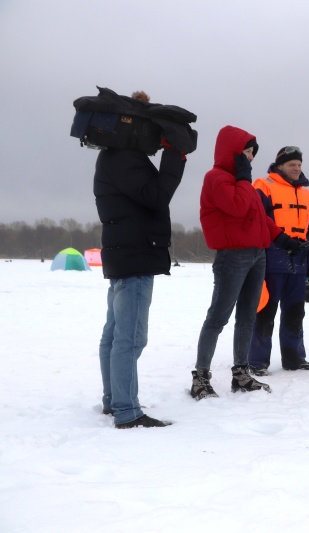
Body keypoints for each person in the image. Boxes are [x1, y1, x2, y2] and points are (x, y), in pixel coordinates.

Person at [95, 90, 186, 428]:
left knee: (115, 333)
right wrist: (176, 156)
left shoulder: (114, 155)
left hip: (125, 252)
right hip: (134, 255)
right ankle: (126, 410)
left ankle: (113, 400)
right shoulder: (124, 158)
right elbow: (157, 196)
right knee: (129, 337)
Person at [193, 126, 284, 400]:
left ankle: (241, 374)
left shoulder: (243, 181)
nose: (250, 157)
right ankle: (200, 377)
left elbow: (259, 216)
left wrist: (282, 238)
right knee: (218, 317)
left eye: (253, 153)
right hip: (232, 257)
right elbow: (237, 206)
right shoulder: (216, 178)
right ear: (232, 151)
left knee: (247, 317)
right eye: (246, 151)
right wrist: (244, 179)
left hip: (257, 254)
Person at [247, 146, 309, 375]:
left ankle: (294, 358)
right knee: (265, 311)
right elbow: (257, 221)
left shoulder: (305, 193)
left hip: (299, 259)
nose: (296, 168)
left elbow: (308, 228)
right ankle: (257, 362)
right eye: (291, 165)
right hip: (271, 257)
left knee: (295, 311)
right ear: (280, 166)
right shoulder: (264, 186)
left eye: (299, 164)